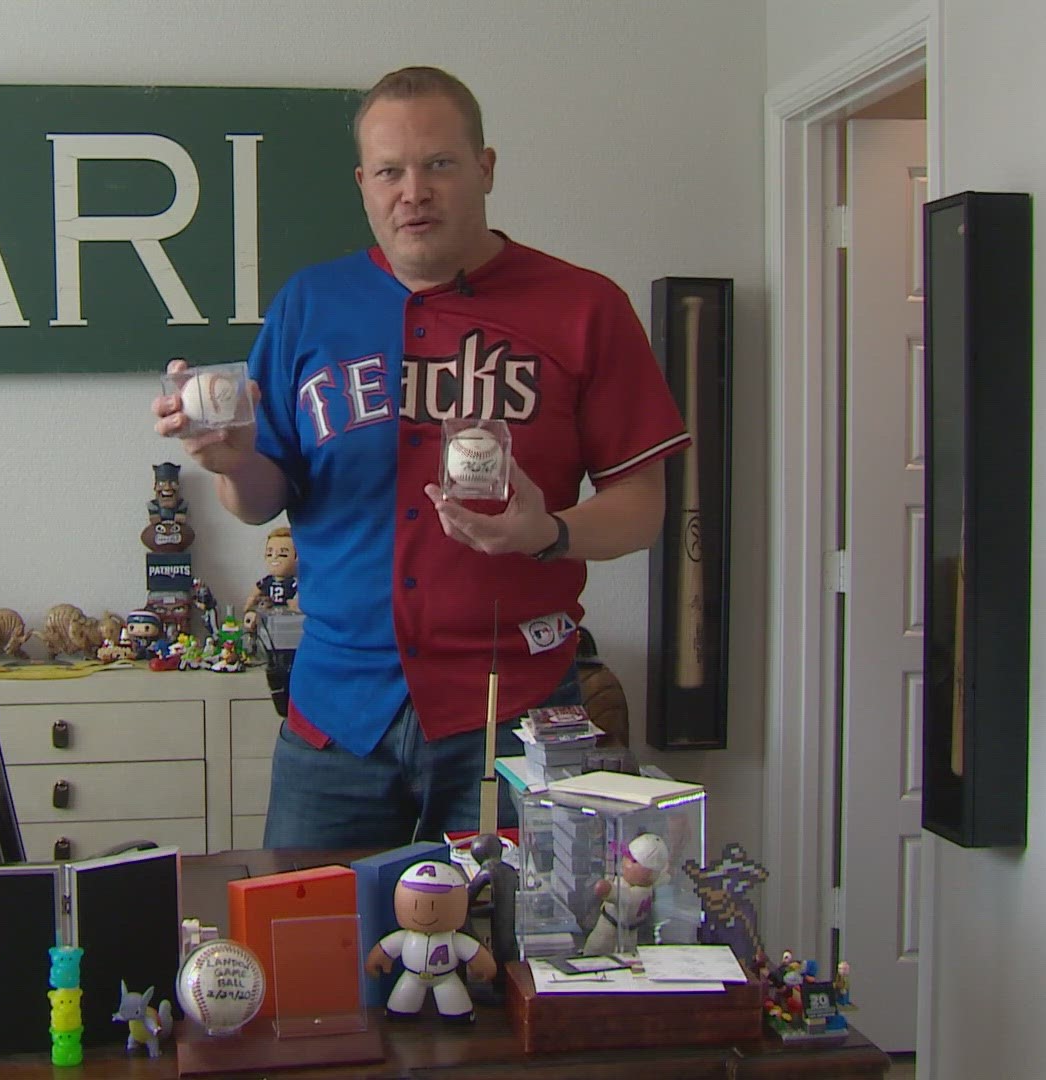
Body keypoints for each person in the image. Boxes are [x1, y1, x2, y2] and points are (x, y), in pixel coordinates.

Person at [153, 66, 689, 848]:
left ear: (486, 167)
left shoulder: (583, 307)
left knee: (511, 961)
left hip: (517, 713)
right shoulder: (309, 304)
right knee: (314, 950)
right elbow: (260, 498)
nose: (415, 192)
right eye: (391, 171)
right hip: (338, 713)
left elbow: (643, 508)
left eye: (439, 164)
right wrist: (231, 460)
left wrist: (552, 533)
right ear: (364, 183)